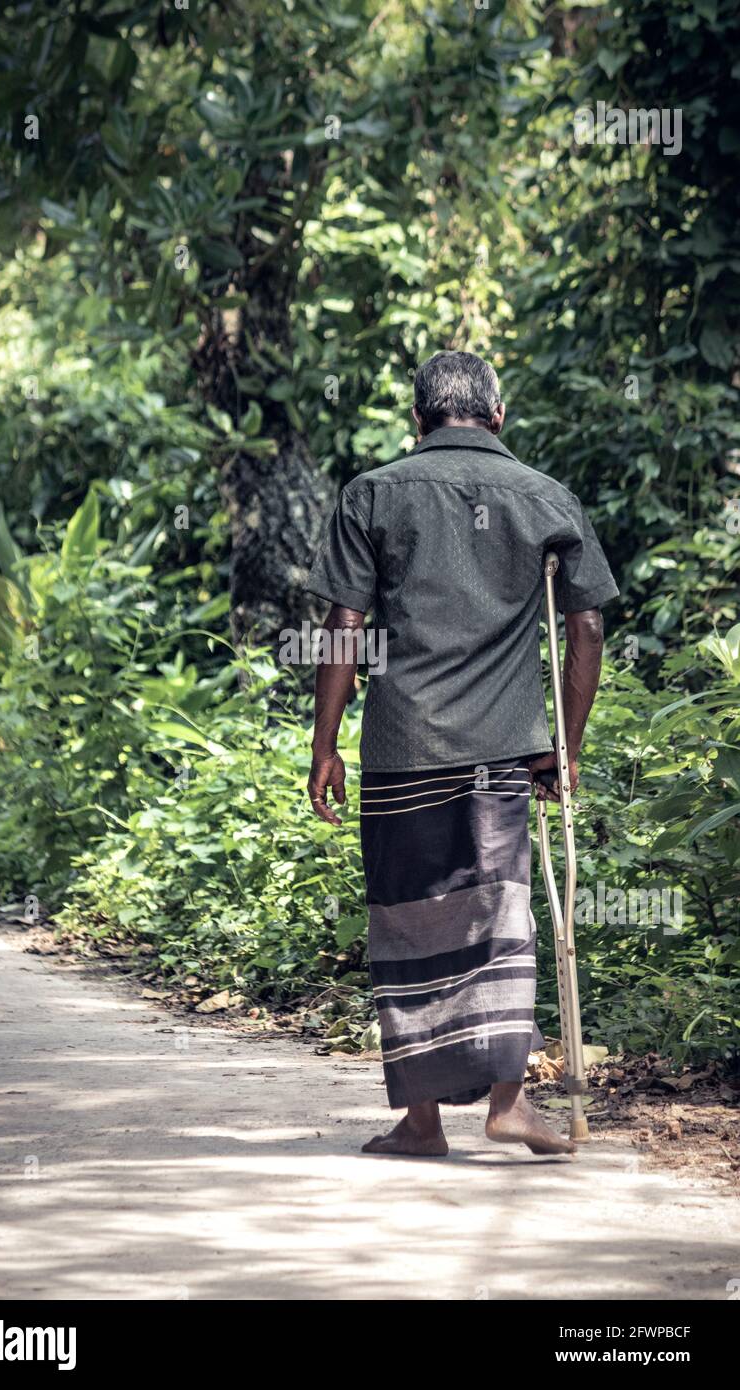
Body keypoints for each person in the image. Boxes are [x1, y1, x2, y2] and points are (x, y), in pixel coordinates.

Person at [305, 350, 619, 1158]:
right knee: (497, 918)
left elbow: (345, 625)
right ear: (497, 416)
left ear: (418, 419)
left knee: (409, 924)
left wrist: (325, 745)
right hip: (498, 754)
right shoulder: (546, 497)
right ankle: (509, 1103)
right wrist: (565, 749)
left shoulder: (372, 493)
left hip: (402, 749)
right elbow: (583, 626)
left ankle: (420, 1124)